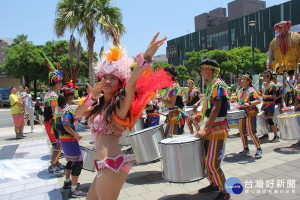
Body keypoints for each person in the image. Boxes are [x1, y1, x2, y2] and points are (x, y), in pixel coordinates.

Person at [74, 32, 171, 200]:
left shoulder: (119, 106)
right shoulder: (97, 105)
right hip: (102, 166)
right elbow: (77, 113)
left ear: (120, 83)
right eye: (105, 77)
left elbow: (132, 82)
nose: (108, 80)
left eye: (113, 78)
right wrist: (92, 98)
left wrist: (146, 56)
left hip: (112, 165)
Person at [195, 58, 231, 200]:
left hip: (217, 129)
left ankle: (225, 191)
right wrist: (199, 116)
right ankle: (213, 184)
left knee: (212, 163)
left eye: (202, 69)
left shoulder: (219, 85)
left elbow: (216, 108)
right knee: (205, 160)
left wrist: (206, 128)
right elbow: (208, 107)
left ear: (209, 69)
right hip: (211, 128)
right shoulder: (211, 86)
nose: (201, 72)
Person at [55, 87, 85, 197]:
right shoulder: (67, 110)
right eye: (72, 96)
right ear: (70, 97)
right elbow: (66, 125)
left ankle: (67, 182)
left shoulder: (59, 108)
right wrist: (76, 135)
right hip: (69, 139)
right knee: (78, 162)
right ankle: (73, 190)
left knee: (69, 160)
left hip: (62, 138)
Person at [234, 72, 262, 158]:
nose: (241, 81)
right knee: (242, 131)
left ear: (249, 81)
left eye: (243, 79)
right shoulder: (240, 90)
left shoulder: (252, 90)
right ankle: (246, 148)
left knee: (251, 132)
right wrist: (233, 100)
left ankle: (258, 148)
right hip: (241, 113)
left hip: (250, 113)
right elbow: (239, 100)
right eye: (241, 79)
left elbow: (258, 100)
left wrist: (249, 103)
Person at [44, 69, 64, 174]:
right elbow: (54, 111)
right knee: (57, 144)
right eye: (60, 82)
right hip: (52, 123)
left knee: (56, 144)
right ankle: (52, 165)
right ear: (56, 83)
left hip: (50, 123)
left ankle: (56, 162)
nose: (61, 84)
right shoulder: (53, 95)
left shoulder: (49, 93)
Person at [158, 66, 185, 137]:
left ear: (170, 75)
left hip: (177, 117)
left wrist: (161, 99)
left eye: (165, 74)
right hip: (172, 116)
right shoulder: (170, 87)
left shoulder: (175, 87)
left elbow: (171, 105)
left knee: (173, 140)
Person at [259, 70, 279, 142]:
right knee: (262, 119)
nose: (263, 78)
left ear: (269, 76)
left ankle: (276, 135)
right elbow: (262, 93)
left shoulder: (272, 85)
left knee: (270, 120)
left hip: (270, 104)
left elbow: (274, 96)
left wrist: (265, 96)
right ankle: (265, 133)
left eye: (265, 76)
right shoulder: (264, 84)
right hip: (264, 104)